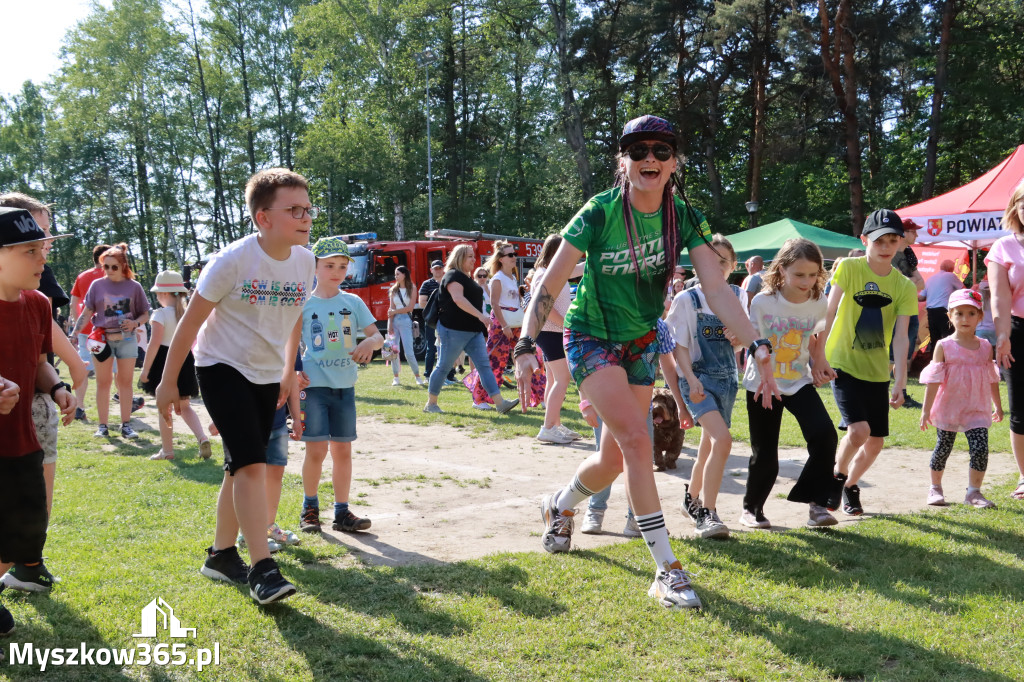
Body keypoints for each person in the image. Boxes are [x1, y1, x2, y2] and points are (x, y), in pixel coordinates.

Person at [515, 115, 777, 610]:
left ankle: (559, 505)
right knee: (640, 440)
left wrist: (757, 343)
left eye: (660, 150)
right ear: (624, 161)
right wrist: (527, 342)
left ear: (674, 162)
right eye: (638, 151)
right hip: (591, 335)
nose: (649, 159)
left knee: (614, 459)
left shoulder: (683, 215)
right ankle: (666, 570)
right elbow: (549, 282)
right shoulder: (599, 212)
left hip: (640, 341)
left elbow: (717, 289)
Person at [156, 168, 316, 605]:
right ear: (263, 218)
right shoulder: (231, 261)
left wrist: (288, 369)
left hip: (267, 373)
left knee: (237, 465)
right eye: (294, 210)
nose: (306, 217)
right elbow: (189, 324)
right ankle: (263, 568)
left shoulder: (305, 261)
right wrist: (168, 383)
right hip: (221, 367)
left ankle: (221, 555)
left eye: (308, 208)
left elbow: (295, 318)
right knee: (251, 464)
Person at [0, 207, 75, 631]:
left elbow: (38, 360)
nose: (42, 260)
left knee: (25, 533)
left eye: (42, 249)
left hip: (21, 441)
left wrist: (57, 386)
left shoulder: (38, 303)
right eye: (30, 251)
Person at [820, 209, 918, 515]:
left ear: (901, 243)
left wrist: (900, 379)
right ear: (865, 240)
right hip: (842, 363)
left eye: (892, 240)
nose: (886, 246)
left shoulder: (905, 286)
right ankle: (836, 475)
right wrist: (819, 355)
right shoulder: (849, 267)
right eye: (879, 241)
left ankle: (850, 483)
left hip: (877, 372)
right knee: (859, 431)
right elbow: (829, 311)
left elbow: (901, 337)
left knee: (875, 443)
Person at [741, 238, 839, 529]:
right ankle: (752, 509)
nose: (807, 281)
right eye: (799, 274)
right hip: (762, 384)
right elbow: (751, 341)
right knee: (766, 453)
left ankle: (817, 505)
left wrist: (819, 362)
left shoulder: (818, 301)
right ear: (782, 270)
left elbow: (816, 334)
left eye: (813, 274)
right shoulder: (763, 301)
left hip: (798, 381)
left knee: (825, 436)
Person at [297, 237, 383, 534]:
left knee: (342, 452)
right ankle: (309, 509)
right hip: (314, 386)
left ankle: (342, 513)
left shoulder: (353, 302)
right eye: (329, 265)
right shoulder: (304, 303)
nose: (336, 271)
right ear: (315, 267)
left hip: (344, 387)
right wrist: (295, 371)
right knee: (317, 451)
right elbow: (288, 343)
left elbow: (377, 336)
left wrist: (370, 343)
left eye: (342, 266)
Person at [667, 234, 746, 539]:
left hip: (727, 381)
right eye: (709, 260)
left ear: (733, 265)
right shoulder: (688, 299)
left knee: (709, 447)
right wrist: (689, 377)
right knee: (723, 441)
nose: (716, 266)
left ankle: (690, 498)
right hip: (698, 380)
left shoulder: (739, 297)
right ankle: (707, 513)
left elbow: (741, 344)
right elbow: (679, 345)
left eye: (722, 261)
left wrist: (738, 340)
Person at [919, 289, 1002, 508]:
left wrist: (998, 405)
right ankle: (935, 488)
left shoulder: (985, 346)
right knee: (943, 447)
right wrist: (926, 410)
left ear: (980, 317)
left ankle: (974, 493)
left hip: (976, 408)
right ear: (949, 316)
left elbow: (992, 378)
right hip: (949, 407)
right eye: (959, 313)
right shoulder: (944, 346)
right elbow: (934, 380)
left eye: (971, 313)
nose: (965, 319)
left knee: (980, 448)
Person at [423, 244, 520, 415]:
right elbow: (458, 299)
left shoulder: (467, 278)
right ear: (459, 257)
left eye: (473, 256)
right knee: (444, 367)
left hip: (473, 332)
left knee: (484, 367)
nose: (473, 259)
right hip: (453, 330)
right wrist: (481, 316)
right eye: (469, 256)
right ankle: (431, 403)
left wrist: (479, 320)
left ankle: (500, 404)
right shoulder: (453, 275)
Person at [70, 243, 151, 439]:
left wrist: (134, 323)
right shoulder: (97, 285)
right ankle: (103, 426)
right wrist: (74, 333)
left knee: (125, 383)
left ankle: (126, 425)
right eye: (105, 266)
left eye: (114, 267)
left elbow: (145, 313)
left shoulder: (134, 286)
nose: (109, 271)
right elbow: (87, 312)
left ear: (123, 265)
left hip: (127, 339)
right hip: (102, 340)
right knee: (103, 383)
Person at [138, 271, 211, 461]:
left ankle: (167, 451)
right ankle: (202, 437)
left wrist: (145, 370)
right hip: (185, 360)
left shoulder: (159, 314)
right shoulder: (186, 314)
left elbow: (154, 344)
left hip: (163, 361)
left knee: (164, 407)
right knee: (185, 406)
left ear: (162, 294)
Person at [466, 240, 543, 409]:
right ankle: (479, 399)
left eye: (514, 254)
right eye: (510, 255)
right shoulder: (497, 279)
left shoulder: (512, 277)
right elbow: (494, 304)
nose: (514, 257)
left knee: (530, 356)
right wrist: (504, 326)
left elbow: (512, 302)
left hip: (516, 323)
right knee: (494, 361)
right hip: (502, 325)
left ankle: (538, 397)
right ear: (501, 259)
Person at [986, 179, 1024, 500]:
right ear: (1015, 208)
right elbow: (999, 297)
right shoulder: (1003, 246)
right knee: (1021, 408)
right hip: (1018, 332)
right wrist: (1002, 336)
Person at [532, 235, 584, 444]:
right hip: (550, 332)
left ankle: (554, 424)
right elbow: (544, 307)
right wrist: (565, 325)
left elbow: (580, 268)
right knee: (563, 379)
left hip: (552, 332)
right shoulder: (544, 275)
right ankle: (547, 428)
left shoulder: (556, 271)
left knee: (554, 380)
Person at [68, 244, 111, 420]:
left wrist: (76, 327)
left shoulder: (82, 276)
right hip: (107, 330)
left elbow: (73, 304)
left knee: (83, 367)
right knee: (115, 368)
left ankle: (80, 406)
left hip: (86, 330)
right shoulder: (111, 274)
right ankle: (123, 399)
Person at [890, 219, 925, 408]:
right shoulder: (890, 255)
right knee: (891, 355)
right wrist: (910, 281)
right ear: (903, 233)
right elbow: (904, 283)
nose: (916, 235)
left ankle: (901, 393)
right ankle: (887, 392)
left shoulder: (908, 255)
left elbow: (921, 283)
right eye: (913, 231)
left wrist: (907, 281)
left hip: (909, 308)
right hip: (895, 311)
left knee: (904, 355)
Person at [387, 265, 425, 387]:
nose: (396, 276)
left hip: (405, 320)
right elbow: (390, 309)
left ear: (404, 275)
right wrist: (389, 325)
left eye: (398, 274)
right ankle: (396, 377)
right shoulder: (393, 290)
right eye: (395, 274)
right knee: (393, 351)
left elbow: (410, 308)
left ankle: (417, 376)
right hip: (394, 321)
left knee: (409, 352)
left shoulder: (412, 288)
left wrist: (394, 312)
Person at [923, 259, 965, 351]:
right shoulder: (950, 276)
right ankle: (950, 359)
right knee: (949, 337)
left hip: (931, 312)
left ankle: (935, 361)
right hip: (944, 311)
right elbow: (963, 290)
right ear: (951, 269)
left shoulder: (931, 278)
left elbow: (921, 297)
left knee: (935, 339)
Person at [418, 260, 446, 379]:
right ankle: (428, 375)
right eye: (435, 268)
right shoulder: (426, 284)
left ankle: (449, 375)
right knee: (431, 347)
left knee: (448, 347)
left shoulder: (448, 282)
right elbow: (421, 303)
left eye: (440, 268)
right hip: (432, 320)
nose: (438, 270)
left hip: (447, 320)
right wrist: (437, 308)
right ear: (431, 270)